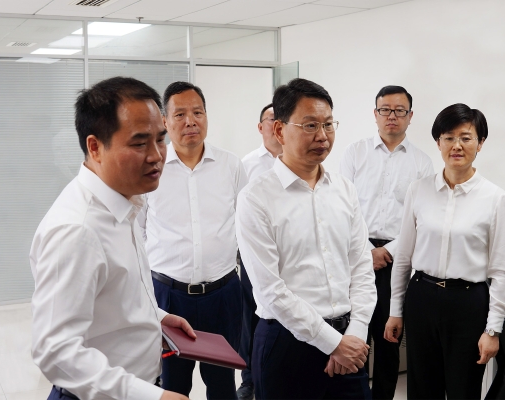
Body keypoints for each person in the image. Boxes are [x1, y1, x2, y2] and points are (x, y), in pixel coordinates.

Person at [30, 76, 195, 400]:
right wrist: (153, 397)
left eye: (160, 139)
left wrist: (157, 318)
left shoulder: (125, 199)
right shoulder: (77, 230)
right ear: (95, 147)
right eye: (139, 143)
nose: (156, 155)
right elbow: (55, 351)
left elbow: (114, 294)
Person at [236, 78, 377, 399]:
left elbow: (361, 268)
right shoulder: (256, 198)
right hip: (286, 345)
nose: (322, 135)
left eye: (328, 124)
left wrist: (354, 334)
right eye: (310, 125)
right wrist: (333, 343)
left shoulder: (344, 190)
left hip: (349, 339)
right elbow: (270, 290)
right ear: (279, 130)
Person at [384, 103, 505, 399]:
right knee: (421, 388)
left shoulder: (496, 199)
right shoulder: (418, 190)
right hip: (422, 297)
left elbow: (500, 272)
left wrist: (493, 330)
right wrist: (395, 311)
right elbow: (403, 258)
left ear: (480, 143)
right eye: (448, 137)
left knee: (463, 390)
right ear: (438, 142)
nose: (457, 145)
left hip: (468, 303)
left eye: (466, 138)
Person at [139, 81, 247, 399]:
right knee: (173, 386)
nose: (191, 121)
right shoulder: (150, 168)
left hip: (223, 295)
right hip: (169, 296)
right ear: (164, 121)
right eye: (181, 114)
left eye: (198, 112)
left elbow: (247, 226)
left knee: (223, 385)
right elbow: (137, 233)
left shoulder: (231, 165)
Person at [339, 85, 433, 399]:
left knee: (389, 338)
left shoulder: (422, 163)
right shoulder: (355, 153)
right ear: (375, 113)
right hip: (355, 255)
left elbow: (423, 217)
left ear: (410, 116)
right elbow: (340, 206)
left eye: (399, 110)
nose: (392, 116)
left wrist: (387, 252)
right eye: (385, 109)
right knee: (354, 335)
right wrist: (367, 250)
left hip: (398, 259)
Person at [237, 103, 282, 400]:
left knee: (281, 314)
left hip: (286, 252)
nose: (276, 124)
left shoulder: (298, 161)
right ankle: (249, 379)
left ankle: (276, 370)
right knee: (252, 317)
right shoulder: (247, 165)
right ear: (261, 127)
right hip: (253, 253)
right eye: (271, 119)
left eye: (281, 119)